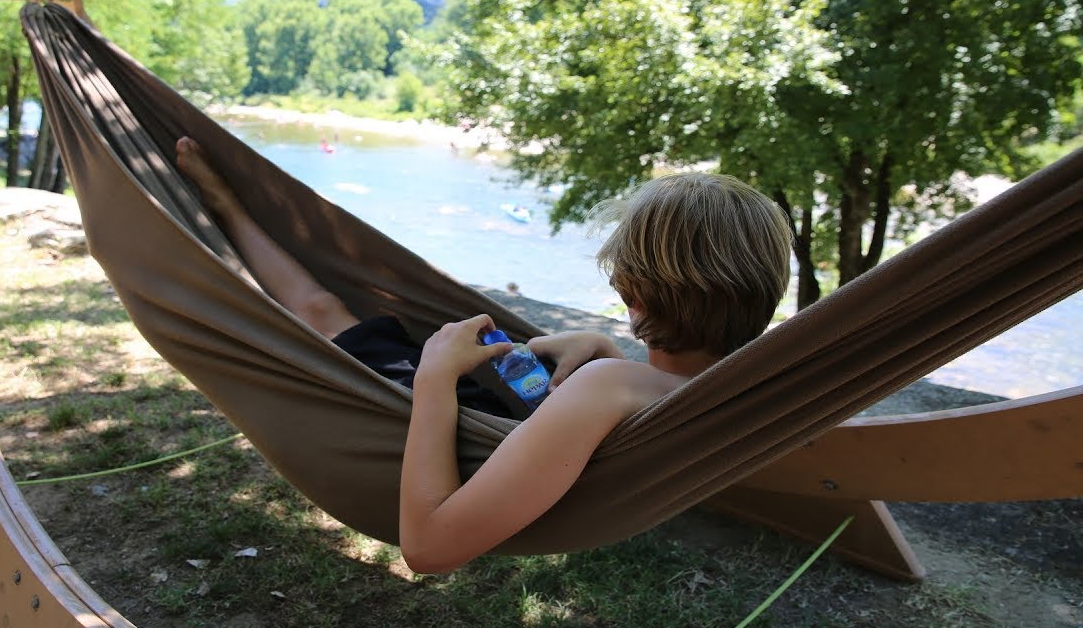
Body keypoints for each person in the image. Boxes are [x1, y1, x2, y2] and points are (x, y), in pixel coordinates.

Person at [173, 137, 793, 575]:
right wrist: (608, 349)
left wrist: (437, 379)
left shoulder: (609, 385)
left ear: (631, 287)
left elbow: (429, 548)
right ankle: (227, 211)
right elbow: (652, 391)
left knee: (321, 314)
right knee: (326, 312)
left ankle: (226, 208)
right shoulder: (732, 387)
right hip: (512, 429)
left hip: (439, 431)